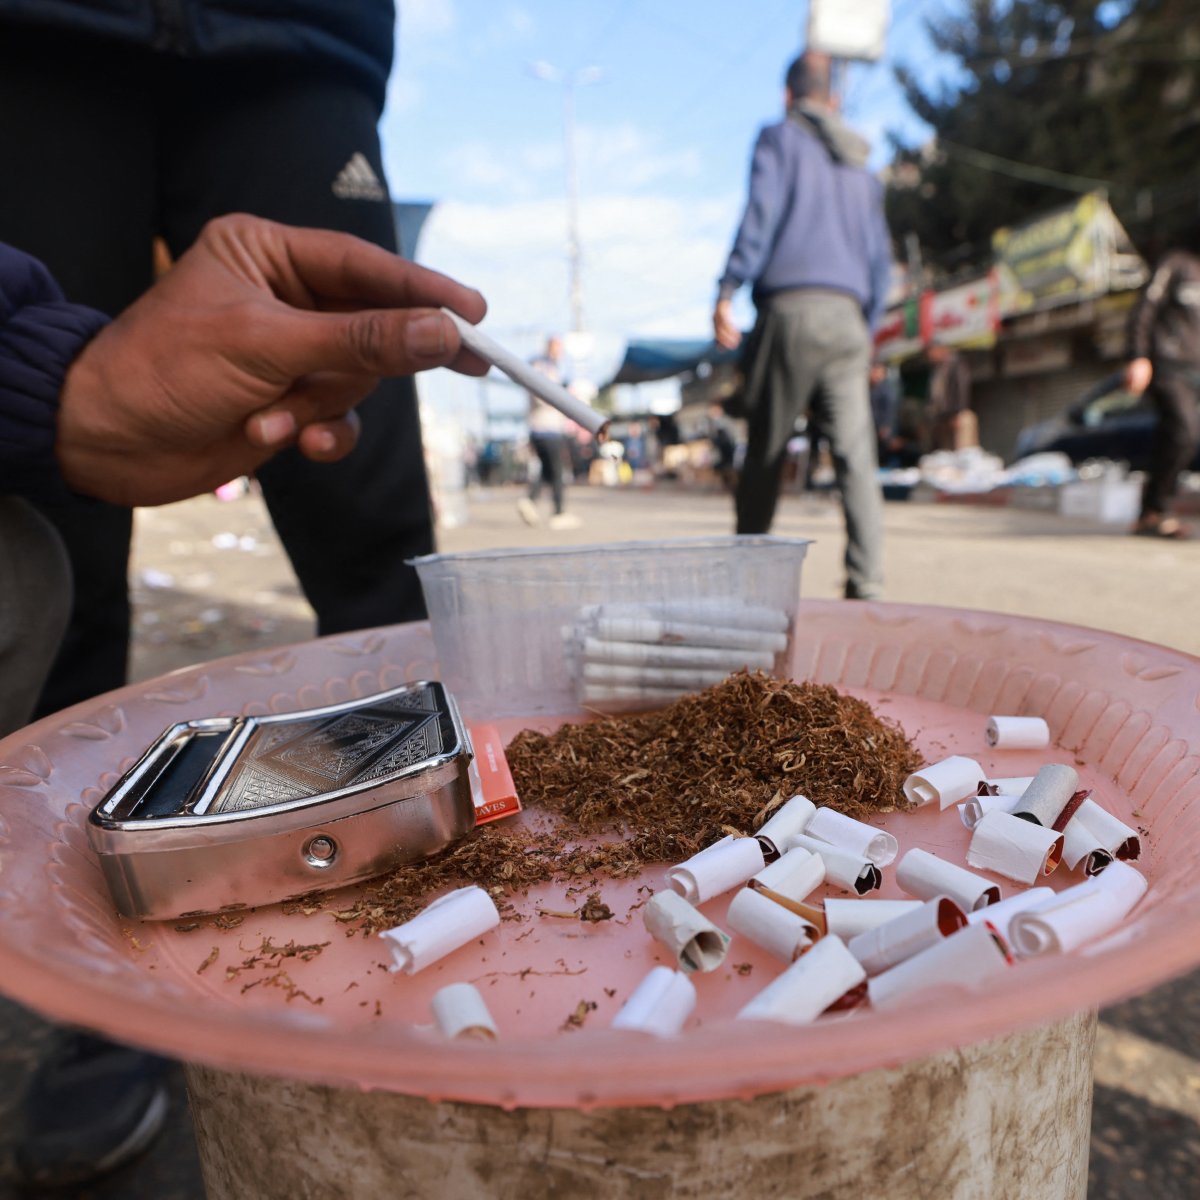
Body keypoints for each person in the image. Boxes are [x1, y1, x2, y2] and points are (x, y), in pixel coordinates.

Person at [0, 214, 486, 1187]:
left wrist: (39, 368)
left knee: (371, 527)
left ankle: (439, 889)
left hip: (306, 61)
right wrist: (51, 385)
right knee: (59, 567)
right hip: (55, 68)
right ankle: (109, 1002)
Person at [0, 1, 436, 722]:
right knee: (58, 544)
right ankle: (44, 814)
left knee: (372, 518)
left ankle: (434, 770)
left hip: (305, 36)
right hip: (40, 34)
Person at [713, 51, 892, 600]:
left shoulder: (779, 139)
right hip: (847, 320)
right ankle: (868, 585)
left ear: (788, 96)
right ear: (833, 101)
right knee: (856, 459)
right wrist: (867, 326)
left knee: (768, 449)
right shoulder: (862, 168)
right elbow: (880, 262)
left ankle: (748, 585)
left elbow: (760, 214)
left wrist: (727, 287)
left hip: (790, 313)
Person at [1124, 241, 1200, 539]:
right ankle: (1156, 510)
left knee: (1175, 438)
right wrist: (1137, 355)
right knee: (1183, 431)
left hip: (1195, 370)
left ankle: (1150, 512)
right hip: (1168, 364)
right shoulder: (1176, 262)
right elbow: (1145, 306)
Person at [517, 335, 580, 529]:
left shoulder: (548, 368)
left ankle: (530, 501)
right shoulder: (541, 368)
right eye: (557, 348)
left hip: (543, 428)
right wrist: (564, 397)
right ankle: (559, 513)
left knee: (547, 470)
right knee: (557, 471)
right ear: (549, 348)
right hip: (546, 428)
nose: (559, 352)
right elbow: (542, 397)